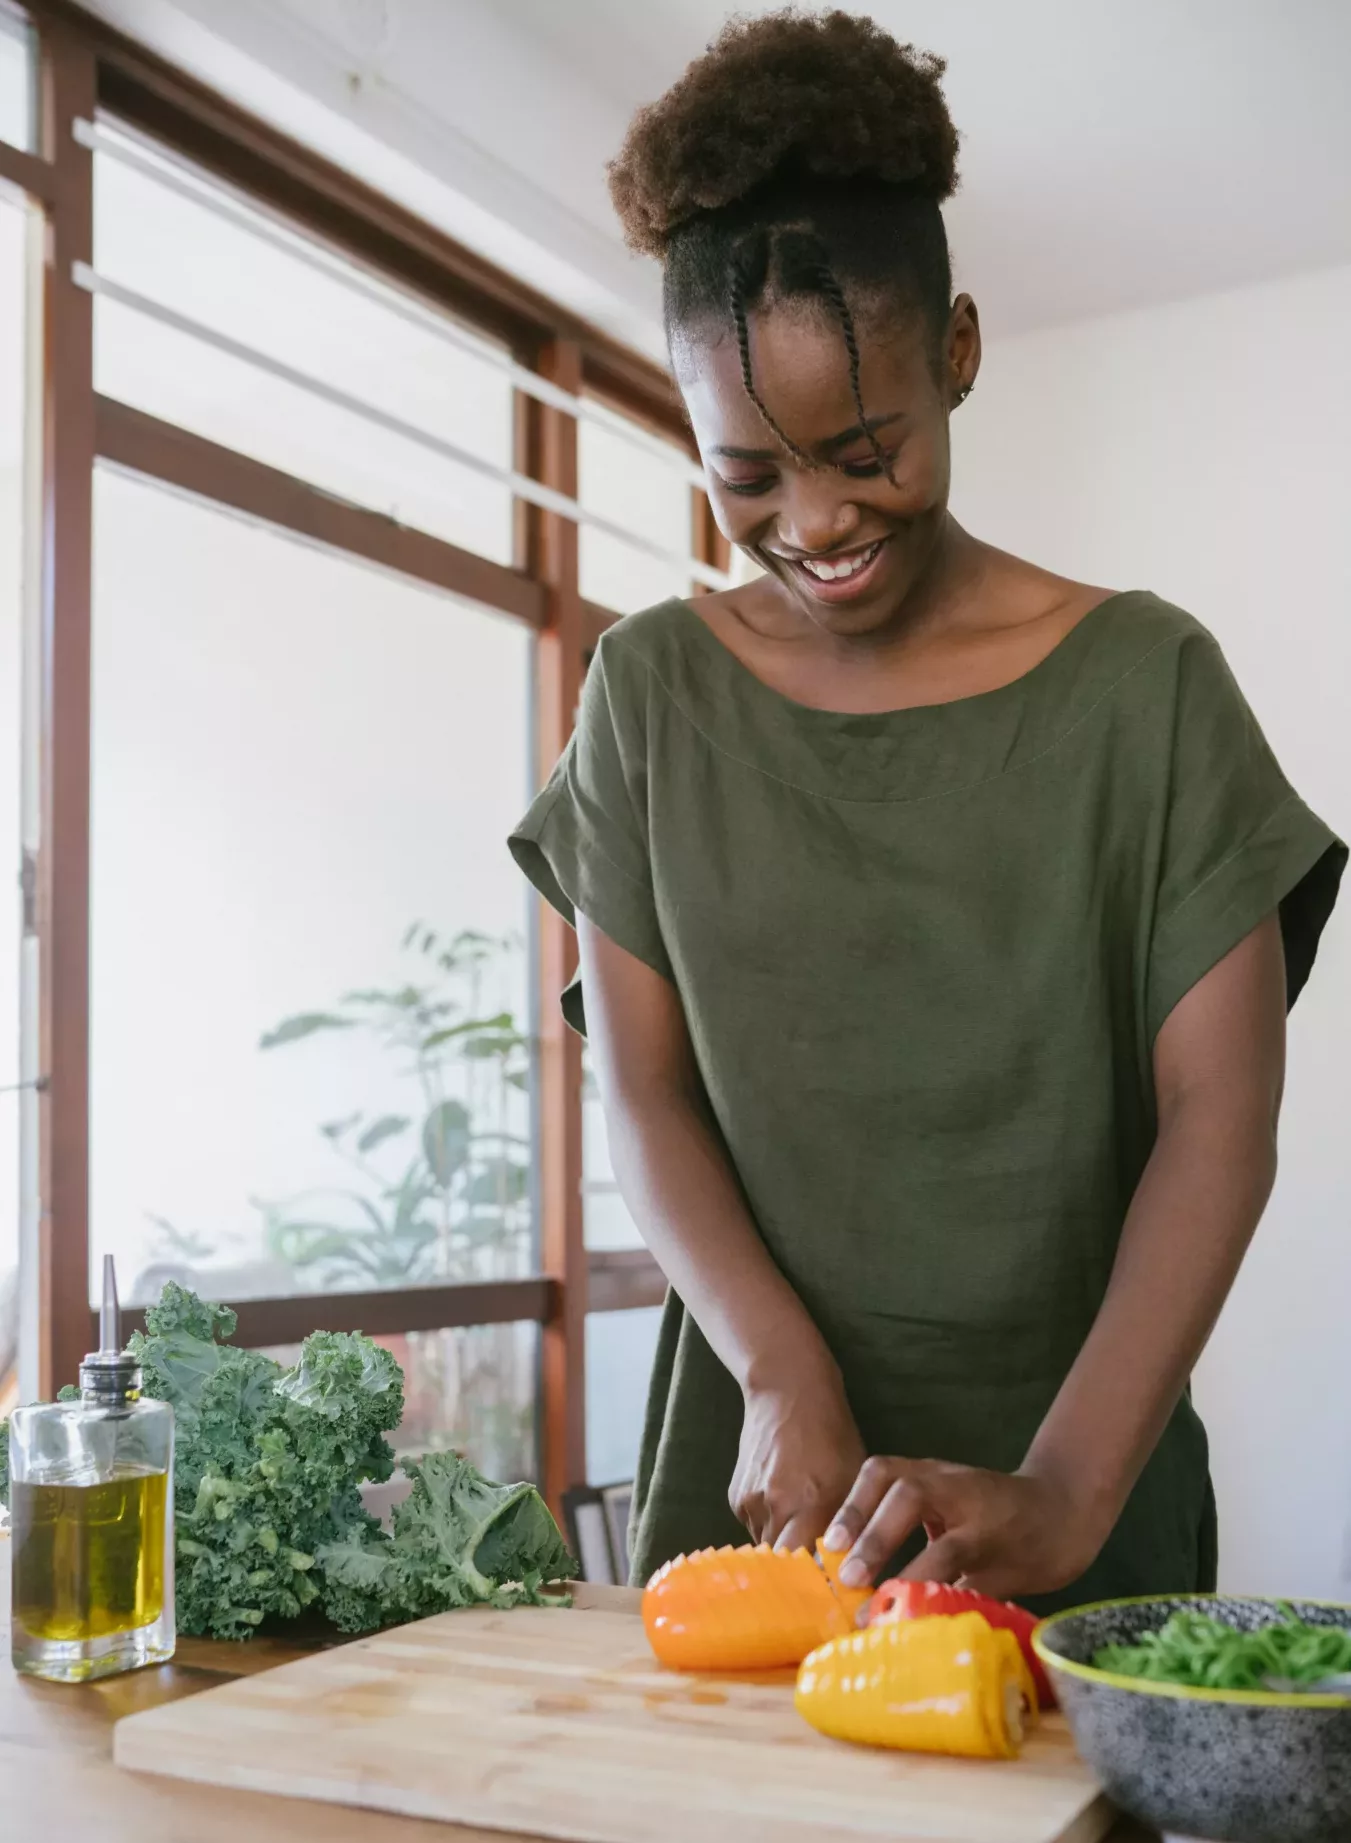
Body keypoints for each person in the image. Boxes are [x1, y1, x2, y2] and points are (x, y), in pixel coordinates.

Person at [509, 10, 1344, 1612]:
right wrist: (774, 1367)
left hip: (1077, 1490)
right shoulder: (646, 695)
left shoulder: (1147, 687)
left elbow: (1216, 1125)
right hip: (761, 1492)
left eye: (863, 446)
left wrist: (1062, 1486)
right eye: (745, 477)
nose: (812, 522)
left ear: (955, 350)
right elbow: (646, 1098)